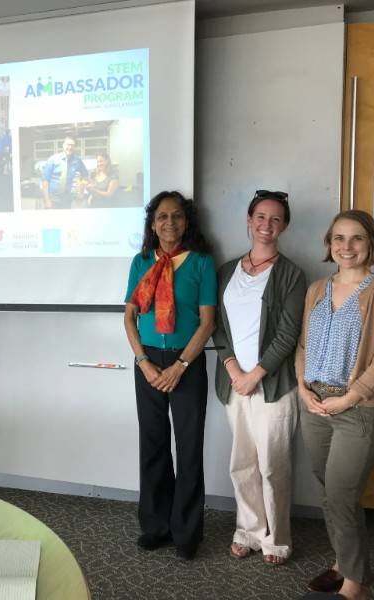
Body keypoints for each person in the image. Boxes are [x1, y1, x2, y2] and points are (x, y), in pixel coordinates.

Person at [297, 210, 374, 600]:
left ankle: (355, 585)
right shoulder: (316, 289)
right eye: (338, 238)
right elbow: (303, 347)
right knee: (330, 491)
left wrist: (350, 397)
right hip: (315, 404)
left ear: (371, 243)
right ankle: (344, 563)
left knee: (341, 494)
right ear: (329, 244)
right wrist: (302, 388)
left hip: (357, 408)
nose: (346, 247)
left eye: (356, 238)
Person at [213, 190, 306, 565]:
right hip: (235, 384)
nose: (267, 225)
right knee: (242, 463)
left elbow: (288, 333)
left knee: (273, 465)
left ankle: (277, 539)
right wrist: (234, 368)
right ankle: (248, 532)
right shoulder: (226, 271)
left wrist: (256, 374)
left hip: (273, 386)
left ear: (284, 226)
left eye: (276, 219)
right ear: (249, 221)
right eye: (260, 217)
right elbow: (216, 326)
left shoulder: (292, 275)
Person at [124, 191, 217, 560]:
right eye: (161, 217)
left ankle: (186, 533)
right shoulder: (141, 261)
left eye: (177, 216)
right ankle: (156, 526)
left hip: (187, 363)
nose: (169, 223)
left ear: (187, 221)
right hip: (147, 361)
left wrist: (180, 366)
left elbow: (208, 323)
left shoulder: (201, 263)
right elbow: (129, 316)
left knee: (189, 447)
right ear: (152, 223)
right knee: (154, 444)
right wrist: (144, 362)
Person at [42, 137, 88, 209]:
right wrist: (47, 200)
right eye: (68, 145)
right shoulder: (52, 159)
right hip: (52, 198)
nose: (70, 147)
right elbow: (45, 181)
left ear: (75, 147)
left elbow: (85, 176)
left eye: (72, 145)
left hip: (67, 198)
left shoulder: (78, 161)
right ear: (63, 145)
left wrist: (81, 191)